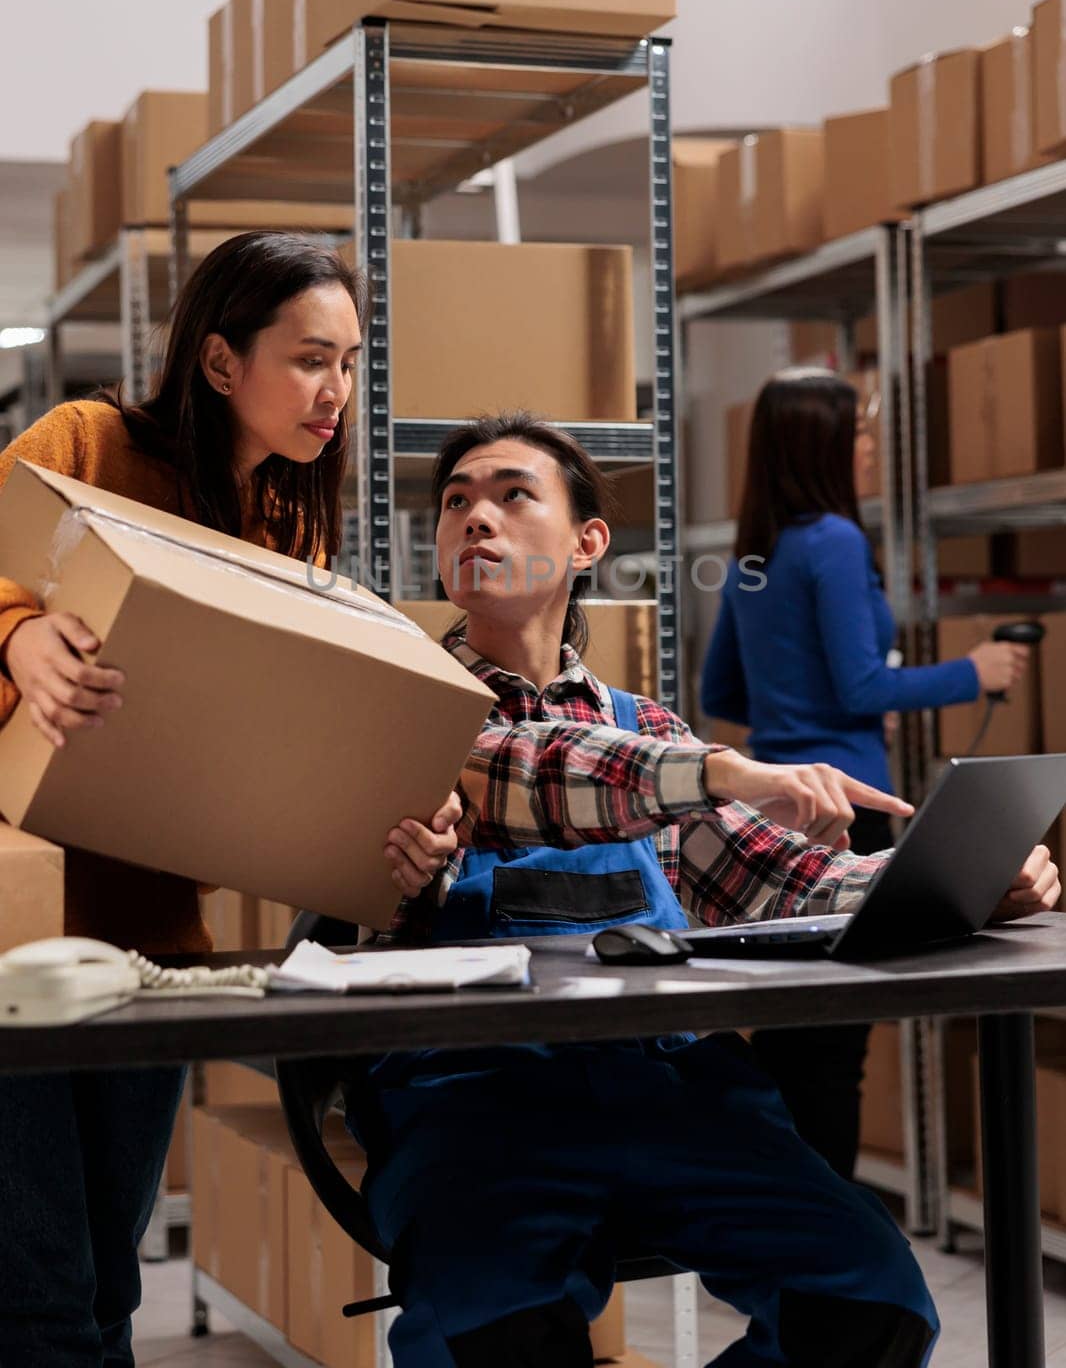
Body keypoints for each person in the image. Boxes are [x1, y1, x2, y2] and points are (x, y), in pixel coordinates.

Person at [352, 409, 1058, 1368]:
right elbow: (539, 767)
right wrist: (723, 767)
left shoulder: (645, 726)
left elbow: (794, 878)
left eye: (513, 495)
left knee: (869, 1305)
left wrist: (965, 875)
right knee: (493, 1337)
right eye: (455, 503)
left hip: (672, 1089)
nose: (477, 518)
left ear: (589, 542)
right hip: (483, 1102)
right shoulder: (409, 707)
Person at [0, 231, 459, 1368]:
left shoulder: (290, 529)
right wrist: (19, 637)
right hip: (15, 935)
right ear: (218, 360)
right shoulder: (88, 445)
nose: (336, 393)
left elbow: (285, 745)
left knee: (111, 1281)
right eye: (311, 359)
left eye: (349, 363)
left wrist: (404, 806)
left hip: (157, 946)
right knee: (41, 1298)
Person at [699, 367, 1031, 1178]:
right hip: (847, 811)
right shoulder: (836, 542)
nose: (873, 447)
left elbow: (721, 692)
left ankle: (791, 1226)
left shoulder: (753, 553)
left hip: (771, 817)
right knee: (834, 1053)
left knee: (787, 1042)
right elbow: (863, 686)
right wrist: (974, 670)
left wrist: (798, 701)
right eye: (860, 433)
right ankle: (832, 1236)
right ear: (820, 443)